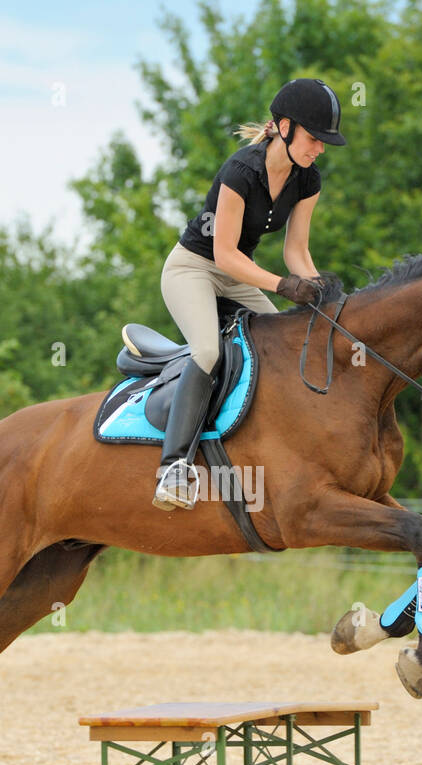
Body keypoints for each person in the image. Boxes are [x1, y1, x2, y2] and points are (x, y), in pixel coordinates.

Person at [152, 77, 346, 510]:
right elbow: (222, 253)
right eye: (315, 138)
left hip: (241, 275)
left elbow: (296, 251)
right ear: (285, 127)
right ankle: (173, 468)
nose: (320, 149)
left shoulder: (308, 180)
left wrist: (321, 294)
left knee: (281, 345)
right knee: (207, 353)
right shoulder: (241, 171)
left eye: (324, 142)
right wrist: (282, 285)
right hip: (194, 270)